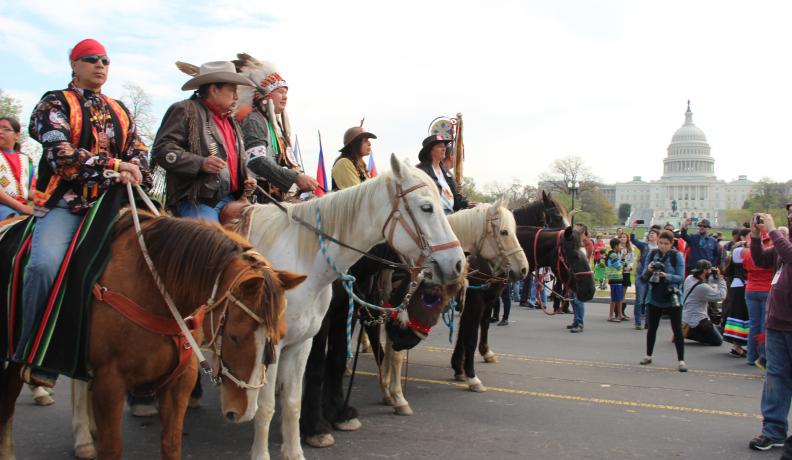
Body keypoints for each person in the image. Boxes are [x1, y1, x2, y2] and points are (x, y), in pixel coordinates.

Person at [18, 38, 147, 387]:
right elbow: (61, 156)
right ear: (74, 65)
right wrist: (116, 164)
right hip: (65, 203)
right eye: (91, 59)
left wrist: (133, 167)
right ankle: (31, 349)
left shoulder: (120, 108)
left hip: (111, 206)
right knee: (44, 265)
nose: (100, 65)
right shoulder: (53, 102)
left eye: (105, 60)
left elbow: (139, 150)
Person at [152, 61, 257, 220]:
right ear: (214, 90)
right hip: (197, 201)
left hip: (234, 199)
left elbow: (233, 162)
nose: (236, 96)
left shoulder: (231, 122)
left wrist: (246, 179)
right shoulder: (185, 110)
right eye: (232, 91)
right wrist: (200, 163)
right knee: (210, 242)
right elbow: (162, 150)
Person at [233, 54, 318, 198]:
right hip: (257, 195)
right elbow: (256, 161)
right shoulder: (254, 119)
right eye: (280, 92)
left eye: (286, 92)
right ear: (266, 97)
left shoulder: (276, 126)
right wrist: (295, 178)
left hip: (274, 194)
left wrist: (299, 178)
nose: (285, 97)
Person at [747, 208, 792, 453]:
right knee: (775, 378)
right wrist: (755, 236)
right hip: (777, 323)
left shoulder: (786, 245)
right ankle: (773, 431)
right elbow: (762, 259)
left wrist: (772, 230)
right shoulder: (784, 246)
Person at [640, 230, 687, 372]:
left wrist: (667, 276)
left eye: (666, 244)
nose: (662, 246)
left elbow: (681, 277)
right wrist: (649, 270)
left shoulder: (676, 256)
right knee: (652, 328)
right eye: (660, 243)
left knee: (677, 329)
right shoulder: (653, 254)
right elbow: (643, 277)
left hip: (672, 295)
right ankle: (648, 355)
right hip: (654, 295)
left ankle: (681, 360)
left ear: (671, 244)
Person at [743, 231, 775, 369]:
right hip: (766, 289)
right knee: (764, 325)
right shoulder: (769, 252)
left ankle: (751, 356)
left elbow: (745, 267)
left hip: (750, 289)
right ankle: (762, 357)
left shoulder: (748, 252)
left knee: (753, 324)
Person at [415, 135, 469, 214]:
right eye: (439, 146)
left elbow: (456, 199)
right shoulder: (421, 172)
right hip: (434, 216)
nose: (444, 149)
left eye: (444, 146)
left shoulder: (446, 173)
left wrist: (466, 203)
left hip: (451, 214)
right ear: (430, 151)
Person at [682, 260, 726, 346]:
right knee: (718, 341)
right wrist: (721, 280)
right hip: (698, 321)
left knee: (722, 330)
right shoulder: (702, 287)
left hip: (686, 316)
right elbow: (721, 296)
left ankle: (688, 329)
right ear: (705, 271)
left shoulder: (689, 278)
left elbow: (703, 287)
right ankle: (688, 332)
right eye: (710, 270)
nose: (711, 272)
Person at [722, 228, 751, 357]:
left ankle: (737, 345)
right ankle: (737, 345)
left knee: (743, 315)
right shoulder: (738, 250)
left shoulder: (740, 248)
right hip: (740, 285)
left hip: (742, 285)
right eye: (751, 236)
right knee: (739, 315)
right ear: (743, 237)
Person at [0, 117, 35, 219]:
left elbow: (28, 191)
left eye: (6, 129)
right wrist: (23, 208)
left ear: (17, 135)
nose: (0, 132)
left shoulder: (26, 161)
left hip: (20, 207)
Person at [631, 222, 660, 329]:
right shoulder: (644, 246)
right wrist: (633, 229)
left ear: (658, 236)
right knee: (640, 299)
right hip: (642, 275)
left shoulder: (659, 248)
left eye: (653, 233)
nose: (651, 235)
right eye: (650, 233)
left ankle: (648, 321)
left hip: (653, 277)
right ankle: (638, 322)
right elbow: (633, 240)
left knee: (650, 301)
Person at [332, 124, 376, 190]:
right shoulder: (343, 163)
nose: (369, 143)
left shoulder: (361, 165)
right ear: (355, 144)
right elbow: (359, 195)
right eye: (365, 141)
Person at [568, 223, 593, 333]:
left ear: (583, 233)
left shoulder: (587, 244)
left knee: (578, 300)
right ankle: (575, 320)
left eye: (577, 232)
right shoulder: (575, 243)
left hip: (583, 275)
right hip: (574, 274)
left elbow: (583, 259)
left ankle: (580, 322)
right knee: (572, 299)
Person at [606, 238, 625, 322]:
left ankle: (619, 315)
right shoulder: (613, 255)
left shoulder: (613, 254)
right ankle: (613, 316)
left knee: (617, 298)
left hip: (616, 278)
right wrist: (624, 260)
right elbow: (618, 266)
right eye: (619, 245)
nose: (620, 247)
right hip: (615, 278)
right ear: (616, 246)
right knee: (616, 298)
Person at [618, 232, 634, 320]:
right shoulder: (617, 249)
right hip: (618, 273)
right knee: (618, 293)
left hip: (626, 272)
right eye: (621, 237)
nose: (623, 239)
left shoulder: (630, 249)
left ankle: (622, 312)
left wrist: (630, 267)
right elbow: (616, 260)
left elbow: (631, 260)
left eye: (624, 237)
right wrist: (622, 256)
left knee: (623, 294)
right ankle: (617, 312)